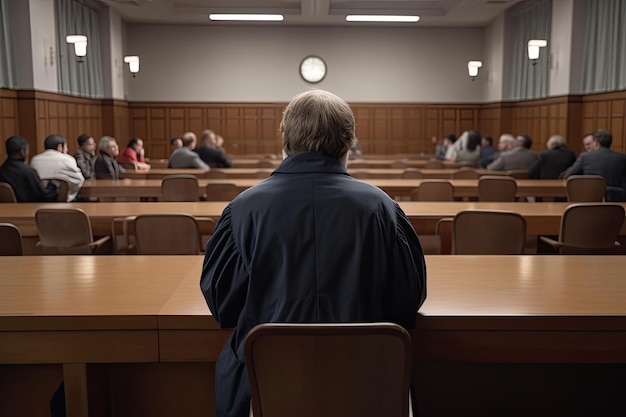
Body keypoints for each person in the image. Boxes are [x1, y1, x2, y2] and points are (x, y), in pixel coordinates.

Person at [200, 89, 427, 417]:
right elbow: (407, 302)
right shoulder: (383, 208)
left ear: (285, 139)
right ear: (349, 142)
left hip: (266, 384)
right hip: (366, 382)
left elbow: (223, 305)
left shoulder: (242, 209)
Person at [564, 129, 626, 201]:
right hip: (616, 201)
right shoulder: (622, 158)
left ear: (596, 143)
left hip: (590, 199)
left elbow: (568, 174)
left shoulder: (585, 156)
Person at [0, 135, 57, 202]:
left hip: (5, 210)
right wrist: (53, 185)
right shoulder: (28, 171)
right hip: (27, 209)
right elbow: (43, 196)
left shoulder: (2, 170)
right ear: (22, 152)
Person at [30, 134, 85, 202]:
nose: (67, 149)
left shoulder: (35, 160)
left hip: (37, 203)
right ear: (60, 147)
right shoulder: (68, 159)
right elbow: (79, 180)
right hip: (64, 205)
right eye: (66, 147)